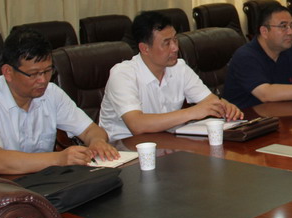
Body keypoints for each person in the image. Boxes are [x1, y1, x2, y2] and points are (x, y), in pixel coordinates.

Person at [0, 27, 118, 174]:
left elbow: (90, 130)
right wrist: (59, 159)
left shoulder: (51, 93)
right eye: (34, 74)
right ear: (8, 72)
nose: (43, 80)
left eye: (48, 71)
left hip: (38, 179)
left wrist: (97, 142)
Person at [99, 11, 242, 141]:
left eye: (175, 39)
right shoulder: (123, 74)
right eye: (166, 43)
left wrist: (224, 106)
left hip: (166, 143)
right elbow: (137, 125)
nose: (175, 48)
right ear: (145, 48)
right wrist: (193, 112)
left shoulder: (179, 67)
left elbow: (209, 101)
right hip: (125, 150)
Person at [223, 4, 292, 109]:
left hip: (282, 114)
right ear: (264, 31)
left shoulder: (290, 51)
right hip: (248, 119)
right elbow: (265, 94)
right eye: (283, 26)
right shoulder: (245, 56)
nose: (290, 32)